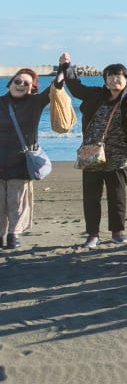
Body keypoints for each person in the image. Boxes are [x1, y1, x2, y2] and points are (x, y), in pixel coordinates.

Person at [62, 53, 127, 248]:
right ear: (105, 80)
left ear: (126, 79)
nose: (115, 79)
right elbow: (75, 88)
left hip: (119, 155)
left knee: (117, 196)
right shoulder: (96, 95)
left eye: (119, 76)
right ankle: (92, 235)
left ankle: (117, 232)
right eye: (111, 76)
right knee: (91, 197)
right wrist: (66, 66)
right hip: (91, 154)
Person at [0, 66, 65, 249]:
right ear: (10, 83)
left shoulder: (35, 103)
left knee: (18, 202)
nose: (21, 85)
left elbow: (55, 88)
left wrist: (63, 68)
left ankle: (13, 234)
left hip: (21, 161)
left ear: (32, 88)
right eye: (17, 81)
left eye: (26, 83)